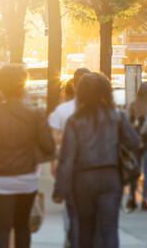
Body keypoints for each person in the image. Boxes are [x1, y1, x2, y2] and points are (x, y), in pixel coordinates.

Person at [53, 73, 140, 248]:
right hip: (111, 178)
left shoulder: (74, 121)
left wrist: (60, 190)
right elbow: (134, 142)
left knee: (86, 228)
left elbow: (67, 158)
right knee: (109, 228)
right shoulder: (117, 116)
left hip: (83, 180)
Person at [0, 64, 56, 248]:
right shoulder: (35, 113)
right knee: (21, 225)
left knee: (1, 227)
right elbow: (48, 145)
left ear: (1, 88)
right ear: (22, 86)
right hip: (26, 177)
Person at [48, 68, 91, 248]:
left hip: (69, 165)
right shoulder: (103, 110)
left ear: (73, 85)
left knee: (70, 207)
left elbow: (55, 141)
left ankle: (71, 239)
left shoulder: (62, 110)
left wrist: (54, 162)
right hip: (93, 167)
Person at [126, 82, 147, 211]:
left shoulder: (132, 106)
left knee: (134, 170)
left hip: (135, 142)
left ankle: (131, 199)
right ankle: (144, 201)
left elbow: (128, 124)